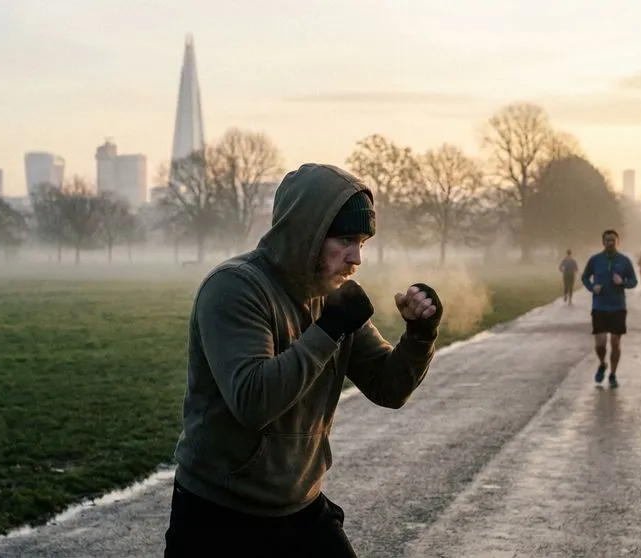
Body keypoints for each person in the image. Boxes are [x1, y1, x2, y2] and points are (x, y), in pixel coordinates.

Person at [163, 163, 444, 557]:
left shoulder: (334, 296)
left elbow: (388, 387)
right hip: (220, 514)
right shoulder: (234, 288)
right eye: (345, 239)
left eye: (362, 242)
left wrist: (420, 334)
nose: (356, 258)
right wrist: (328, 330)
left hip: (300, 508)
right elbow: (253, 400)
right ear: (307, 234)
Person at [580, 229, 638, 389]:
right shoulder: (595, 260)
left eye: (612, 240)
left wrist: (623, 283)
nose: (609, 243)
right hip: (599, 305)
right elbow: (584, 277)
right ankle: (602, 363)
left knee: (615, 343)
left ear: (617, 242)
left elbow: (634, 281)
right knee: (600, 343)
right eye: (606, 240)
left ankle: (613, 374)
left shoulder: (624, 261)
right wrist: (592, 287)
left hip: (618, 306)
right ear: (603, 242)